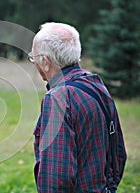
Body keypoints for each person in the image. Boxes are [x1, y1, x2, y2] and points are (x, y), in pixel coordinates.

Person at [28, 22, 126, 192]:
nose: (33, 62)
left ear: (45, 62)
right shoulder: (95, 85)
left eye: (33, 57)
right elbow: (118, 154)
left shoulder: (57, 99)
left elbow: (55, 179)